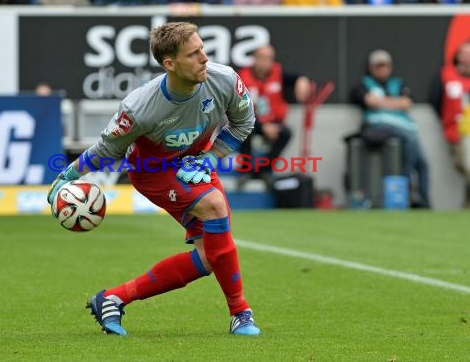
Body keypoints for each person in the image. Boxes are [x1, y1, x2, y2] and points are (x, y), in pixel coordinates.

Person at [47, 22, 260, 336]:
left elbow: (244, 123)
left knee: (211, 255)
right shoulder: (140, 108)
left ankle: (113, 299)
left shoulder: (224, 79)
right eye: (193, 54)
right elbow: (108, 149)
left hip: (197, 164)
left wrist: (210, 157)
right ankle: (241, 314)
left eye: (203, 49)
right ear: (169, 64)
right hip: (153, 173)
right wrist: (66, 176)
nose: (204, 58)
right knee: (215, 207)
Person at [351, 49, 431, 208]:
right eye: (378, 66)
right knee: (410, 139)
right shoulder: (364, 84)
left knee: (422, 164)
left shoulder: (398, 83)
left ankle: (425, 203)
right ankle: (404, 181)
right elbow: (369, 101)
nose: (382, 69)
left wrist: (382, 102)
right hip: (380, 127)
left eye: (385, 66)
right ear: (371, 67)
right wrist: (395, 103)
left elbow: (407, 103)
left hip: (405, 127)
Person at [236, 44, 311, 189]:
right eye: (262, 58)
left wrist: (302, 81)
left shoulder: (278, 73)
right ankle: (246, 170)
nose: (266, 62)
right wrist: (263, 126)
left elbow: (298, 77)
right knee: (245, 129)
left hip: (274, 122)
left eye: (269, 59)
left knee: (286, 133)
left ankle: (263, 171)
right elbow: (238, 110)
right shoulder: (241, 77)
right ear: (254, 59)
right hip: (251, 121)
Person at [431, 40, 470, 207]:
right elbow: (435, 99)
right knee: (465, 166)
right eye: (465, 54)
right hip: (456, 131)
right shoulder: (446, 75)